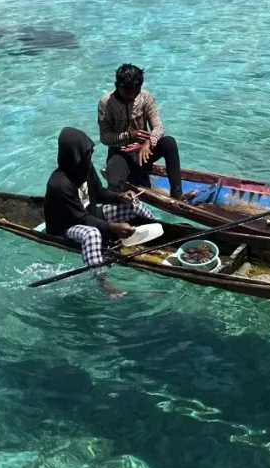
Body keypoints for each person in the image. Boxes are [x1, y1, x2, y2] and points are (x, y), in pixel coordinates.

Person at [44, 127, 156, 298]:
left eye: (90, 153)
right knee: (92, 234)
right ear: (74, 155)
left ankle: (157, 236)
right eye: (86, 154)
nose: (90, 157)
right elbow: (81, 219)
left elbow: (100, 193)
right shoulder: (59, 184)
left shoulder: (85, 167)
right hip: (67, 227)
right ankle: (102, 281)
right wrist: (112, 227)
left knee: (133, 206)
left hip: (90, 215)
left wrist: (120, 197)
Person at [98, 63, 184, 199]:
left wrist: (149, 142)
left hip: (143, 153)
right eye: (127, 93)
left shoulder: (146, 97)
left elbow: (159, 127)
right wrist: (128, 136)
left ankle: (177, 194)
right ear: (117, 86)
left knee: (169, 142)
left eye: (136, 91)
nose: (132, 96)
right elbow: (104, 137)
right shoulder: (106, 103)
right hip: (120, 153)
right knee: (114, 187)